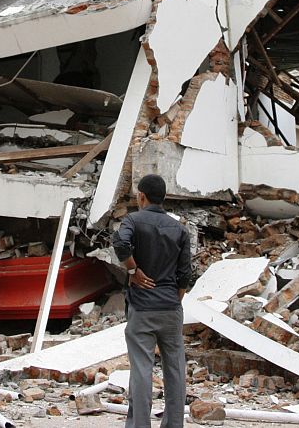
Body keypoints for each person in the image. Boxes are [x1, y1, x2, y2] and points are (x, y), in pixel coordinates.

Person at [113, 174, 191, 428]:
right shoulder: (179, 229)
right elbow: (185, 274)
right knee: (175, 370)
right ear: (164, 198)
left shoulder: (133, 221)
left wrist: (134, 271)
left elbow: (120, 244)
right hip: (171, 308)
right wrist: (174, 300)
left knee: (142, 370)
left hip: (142, 308)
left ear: (142, 196)